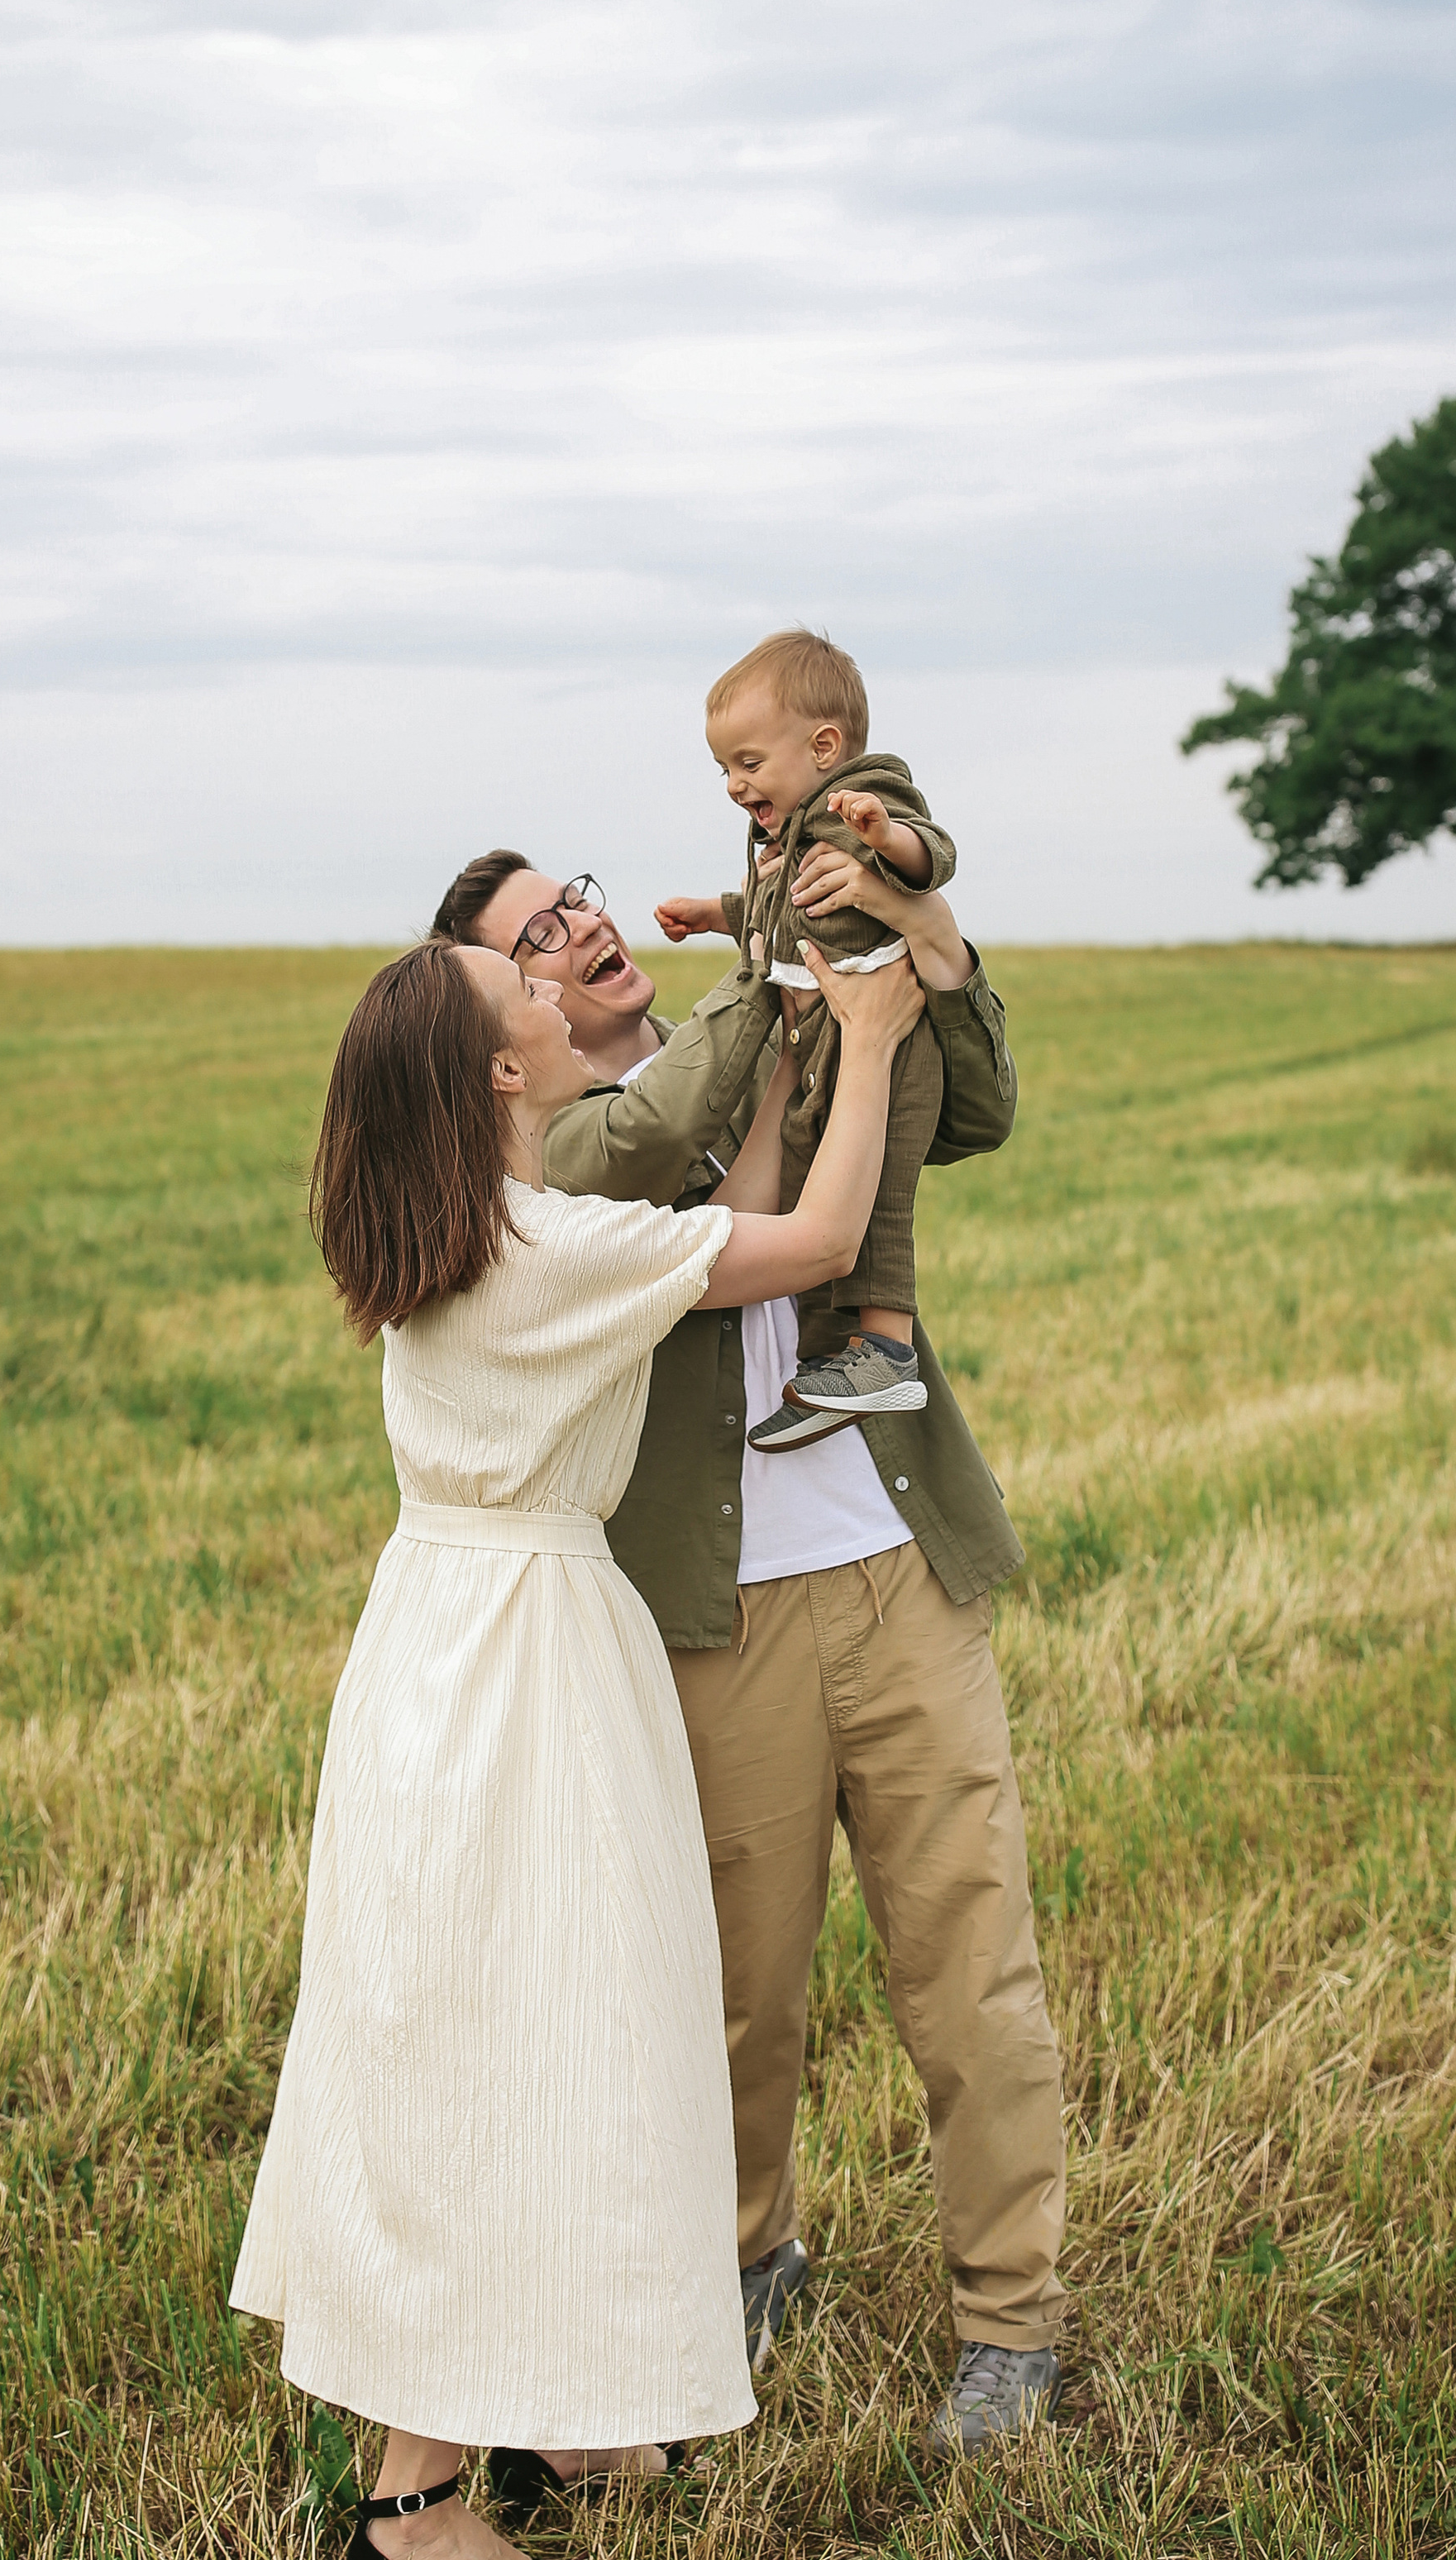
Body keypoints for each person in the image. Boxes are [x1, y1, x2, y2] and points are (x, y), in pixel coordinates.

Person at [228, 930, 924, 2560]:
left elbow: (724, 1235)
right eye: (516, 988)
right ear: (501, 1070)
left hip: (445, 1637)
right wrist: (881, 1033)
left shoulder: (478, 1230)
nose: (550, 988)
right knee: (507, 2041)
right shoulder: (539, 1242)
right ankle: (413, 2499)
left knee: (519, 2027)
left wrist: (765, 1057)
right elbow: (819, 1243)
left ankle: (560, 2406)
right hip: (523, 1660)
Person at [432, 847, 1069, 2459]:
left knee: (971, 1967)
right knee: (733, 1992)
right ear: (505, 1014)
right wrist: (790, 968)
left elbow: (971, 1105)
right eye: (532, 936)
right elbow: (678, 1130)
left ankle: (1009, 2319)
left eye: (573, 895)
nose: (575, 926)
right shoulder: (563, 1148)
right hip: (715, 1617)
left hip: (900, 1564)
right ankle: (742, 2249)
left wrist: (922, 938)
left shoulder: (764, 1022)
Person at [655, 630, 955, 1452]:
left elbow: (932, 858)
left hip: (891, 1034)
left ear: (823, 746)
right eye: (722, 768)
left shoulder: (862, 793)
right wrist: (718, 913)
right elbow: (777, 913)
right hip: (822, 1037)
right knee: (812, 1180)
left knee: (879, 1189)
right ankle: (833, 1362)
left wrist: (883, 835)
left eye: (746, 761)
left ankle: (885, 1344)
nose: (732, 783)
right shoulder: (784, 838)